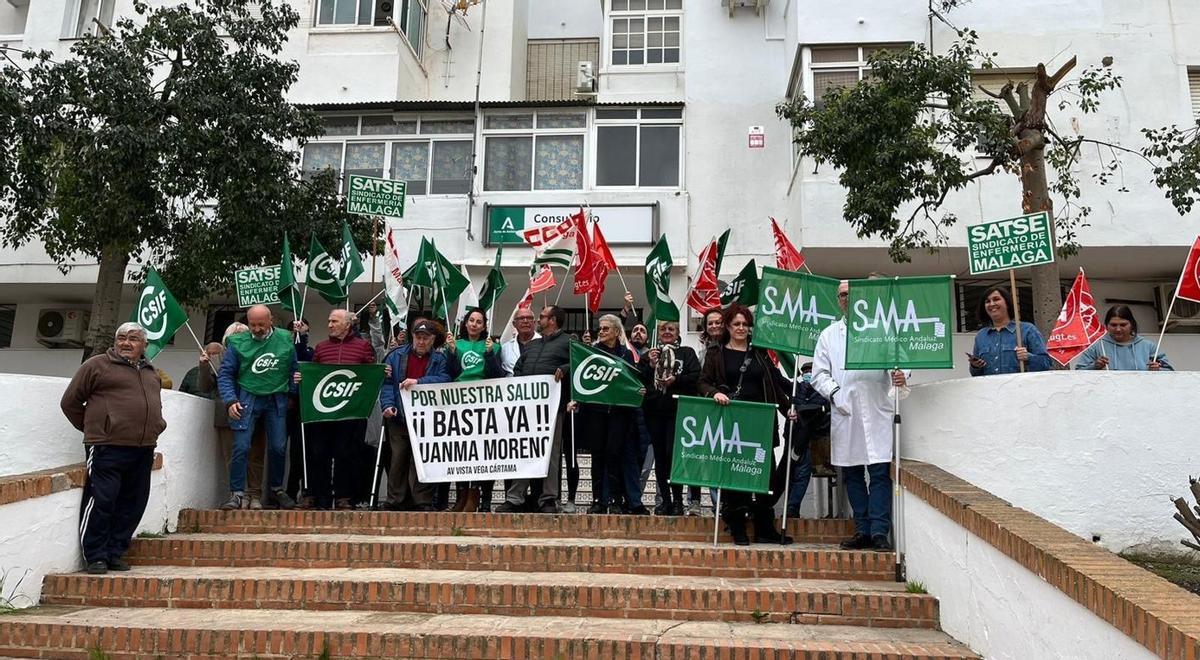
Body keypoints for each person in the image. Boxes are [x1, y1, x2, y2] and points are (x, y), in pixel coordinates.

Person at [60, 322, 167, 575]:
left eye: (133, 338)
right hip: (106, 447)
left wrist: (157, 426)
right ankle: (96, 556)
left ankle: (115, 552)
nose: (126, 343)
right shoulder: (97, 365)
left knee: (133, 503)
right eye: (121, 338)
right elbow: (70, 402)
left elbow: (154, 406)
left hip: (142, 448)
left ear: (144, 345)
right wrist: (97, 428)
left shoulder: (151, 372)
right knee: (102, 500)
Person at [811, 280, 907, 552]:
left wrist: (901, 374)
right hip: (846, 413)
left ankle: (879, 532)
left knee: (879, 473)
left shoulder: (882, 330)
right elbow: (818, 375)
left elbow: (901, 362)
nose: (846, 299)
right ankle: (862, 530)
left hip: (877, 411)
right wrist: (836, 393)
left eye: (851, 294)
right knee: (852, 475)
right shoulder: (829, 335)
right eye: (842, 295)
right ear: (837, 300)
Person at [697, 304, 797, 546]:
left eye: (745, 324)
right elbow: (703, 382)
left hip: (761, 424)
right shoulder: (716, 353)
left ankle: (764, 527)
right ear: (728, 327)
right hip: (732, 424)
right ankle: (737, 526)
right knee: (734, 475)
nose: (741, 328)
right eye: (736, 324)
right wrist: (714, 394)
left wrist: (788, 408)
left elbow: (773, 384)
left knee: (765, 475)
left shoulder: (760, 354)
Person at [217, 304, 298, 511]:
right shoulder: (237, 342)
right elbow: (225, 374)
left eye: (261, 324)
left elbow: (293, 369)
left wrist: (293, 391)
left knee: (278, 447)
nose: (257, 329)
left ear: (271, 321)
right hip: (247, 396)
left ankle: (276, 489)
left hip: (276, 398)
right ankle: (236, 494)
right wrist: (230, 400)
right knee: (241, 446)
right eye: (252, 324)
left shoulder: (285, 338)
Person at [296, 309, 378, 510]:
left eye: (334, 321)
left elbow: (370, 373)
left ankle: (344, 496)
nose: (330, 325)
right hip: (323, 413)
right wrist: (302, 378)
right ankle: (321, 496)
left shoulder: (363, 347)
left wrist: (382, 372)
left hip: (351, 414)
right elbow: (314, 375)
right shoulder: (321, 348)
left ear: (348, 325)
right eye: (329, 321)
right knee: (319, 453)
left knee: (347, 454)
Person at [496, 305, 570, 514]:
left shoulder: (568, 342)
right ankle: (515, 497)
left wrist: (565, 369)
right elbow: (518, 368)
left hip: (553, 407)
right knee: (524, 450)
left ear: (553, 320)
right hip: (528, 409)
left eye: (543, 317)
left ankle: (548, 498)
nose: (539, 320)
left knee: (551, 453)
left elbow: (578, 365)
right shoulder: (533, 345)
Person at [568, 314, 646, 514]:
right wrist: (576, 398)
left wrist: (639, 390)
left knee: (615, 456)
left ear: (616, 332)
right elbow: (582, 379)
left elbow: (633, 381)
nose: (601, 332)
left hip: (619, 414)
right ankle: (597, 501)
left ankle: (615, 500)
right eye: (600, 329)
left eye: (605, 329)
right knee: (598, 457)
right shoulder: (591, 353)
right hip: (596, 413)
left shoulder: (626, 355)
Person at [379, 318, 451, 511]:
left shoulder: (440, 359)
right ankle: (395, 500)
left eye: (426, 338)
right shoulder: (395, 356)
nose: (421, 341)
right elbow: (387, 383)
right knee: (398, 460)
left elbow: (445, 380)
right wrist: (387, 405)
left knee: (422, 460)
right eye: (418, 337)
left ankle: (422, 501)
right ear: (412, 337)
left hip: (426, 420)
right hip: (399, 417)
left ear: (433, 339)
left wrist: (420, 381)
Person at [200, 327, 268, 510]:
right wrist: (204, 366)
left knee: (255, 455)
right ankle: (237, 495)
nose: (238, 339)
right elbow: (205, 386)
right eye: (233, 336)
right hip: (227, 414)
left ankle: (254, 495)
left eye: (242, 335)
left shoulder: (261, 353)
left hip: (255, 412)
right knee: (232, 457)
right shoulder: (218, 357)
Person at [444, 308, 504, 512]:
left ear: (484, 326)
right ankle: (462, 494)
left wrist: (489, 355)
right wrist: (451, 352)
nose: (474, 324)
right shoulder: (455, 344)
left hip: (484, 402)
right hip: (460, 402)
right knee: (461, 451)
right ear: (466, 323)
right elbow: (451, 374)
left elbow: (496, 375)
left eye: (479, 322)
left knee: (484, 453)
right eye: (471, 320)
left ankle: (481, 496)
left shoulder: (493, 346)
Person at [640, 319, 700, 515]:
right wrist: (649, 364)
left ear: (678, 332)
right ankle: (665, 500)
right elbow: (639, 379)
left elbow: (695, 377)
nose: (667, 332)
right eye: (663, 329)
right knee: (660, 457)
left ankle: (678, 501)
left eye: (671, 329)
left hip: (678, 412)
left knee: (673, 456)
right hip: (655, 412)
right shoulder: (651, 354)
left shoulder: (686, 353)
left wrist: (676, 379)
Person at [968, 286, 1051, 376]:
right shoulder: (981, 336)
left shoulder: (1027, 330)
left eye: (996, 299)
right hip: (990, 388)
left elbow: (1046, 364)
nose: (992, 304)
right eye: (987, 301)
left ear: (1007, 303)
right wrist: (975, 366)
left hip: (1020, 388)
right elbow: (975, 374)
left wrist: (1028, 357)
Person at [786, 362, 827, 518]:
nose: (808, 375)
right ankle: (790, 506)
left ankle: (792, 507)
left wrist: (801, 411)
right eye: (805, 372)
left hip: (814, 439)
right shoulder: (797, 389)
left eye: (811, 372)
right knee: (791, 472)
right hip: (794, 437)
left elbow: (820, 409)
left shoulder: (823, 390)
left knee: (802, 473)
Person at [1076, 305, 1173, 371]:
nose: (1118, 329)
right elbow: (1078, 372)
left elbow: (1170, 372)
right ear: (1106, 325)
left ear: (1131, 324)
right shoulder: (1097, 346)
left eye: (1123, 325)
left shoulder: (1148, 346)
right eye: (1113, 325)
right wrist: (1094, 366)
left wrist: (1158, 369)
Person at [500, 307, 540, 376]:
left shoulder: (545, 343)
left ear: (534, 322)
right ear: (514, 324)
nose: (525, 321)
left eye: (529, 318)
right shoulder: (505, 348)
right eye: (521, 318)